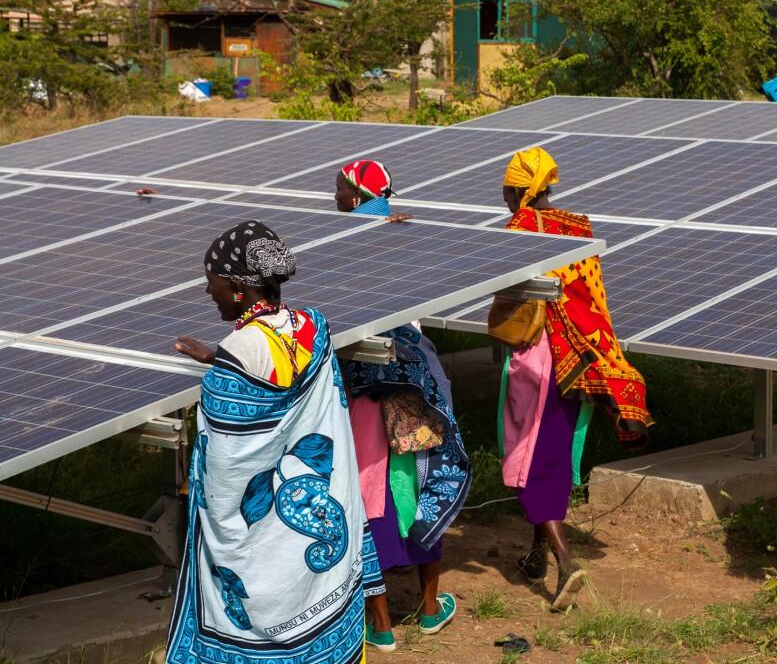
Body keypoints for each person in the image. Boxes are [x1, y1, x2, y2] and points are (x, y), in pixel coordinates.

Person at [168, 221, 385, 662]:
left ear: (235, 287)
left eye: (211, 282)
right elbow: (278, 360)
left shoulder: (241, 354)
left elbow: (226, 477)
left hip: (266, 557)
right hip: (313, 549)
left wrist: (225, 364)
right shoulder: (314, 326)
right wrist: (222, 354)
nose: (207, 292)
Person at [497, 146, 654, 610]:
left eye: (507, 190)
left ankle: (566, 562)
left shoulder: (521, 227)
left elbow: (503, 290)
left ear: (520, 190)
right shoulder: (578, 226)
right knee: (552, 453)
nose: (505, 199)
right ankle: (536, 553)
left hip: (541, 357)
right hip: (583, 360)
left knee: (530, 458)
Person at [332, 160, 469, 652]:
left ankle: (382, 623)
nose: (333, 200)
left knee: (369, 499)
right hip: (416, 394)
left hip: (365, 398)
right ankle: (430, 608)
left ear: (353, 198)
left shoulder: (337, 244)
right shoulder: (409, 234)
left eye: (338, 191)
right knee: (424, 485)